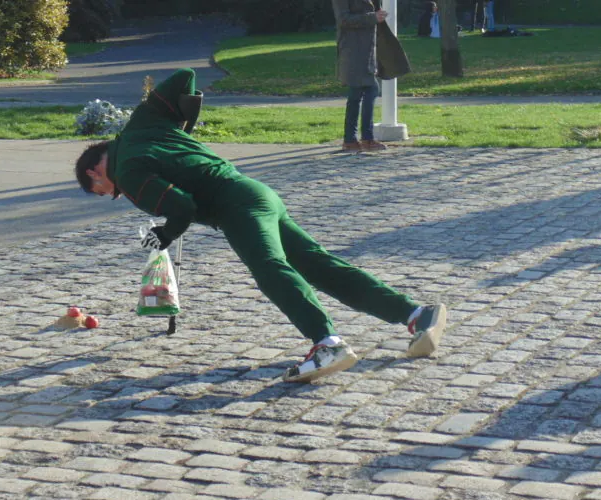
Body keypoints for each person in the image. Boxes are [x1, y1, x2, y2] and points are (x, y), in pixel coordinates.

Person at [74, 68, 448, 384]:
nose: (114, 194)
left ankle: (327, 344)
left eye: (102, 190)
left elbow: (182, 207)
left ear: (95, 170)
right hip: (259, 193)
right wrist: (183, 124)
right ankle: (415, 315)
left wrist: (165, 235)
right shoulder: (142, 124)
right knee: (318, 265)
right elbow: (185, 77)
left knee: (270, 268)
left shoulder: (128, 170)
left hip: (235, 207)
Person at [332, 0, 389, 153]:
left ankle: (356, 139)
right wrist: (372, 17)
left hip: (366, 49)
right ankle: (358, 139)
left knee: (360, 93)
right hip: (352, 49)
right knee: (365, 91)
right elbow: (343, 19)